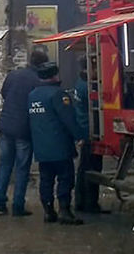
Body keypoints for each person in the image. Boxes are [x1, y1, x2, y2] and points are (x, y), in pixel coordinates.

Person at [28, 62, 86, 225]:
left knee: (46, 180)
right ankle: (64, 211)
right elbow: (68, 119)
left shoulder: (32, 96)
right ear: (55, 76)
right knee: (65, 179)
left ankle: (48, 211)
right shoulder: (59, 95)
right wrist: (79, 136)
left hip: (41, 148)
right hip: (59, 147)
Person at [0, 49, 49, 217]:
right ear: (42, 65)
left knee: (5, 166)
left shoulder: (13, 75)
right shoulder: (39, 81)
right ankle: (18, 206)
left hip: (6, 126)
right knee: (22, 168)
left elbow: (3, 94)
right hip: (24, 130)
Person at [73, 56, 104, 213]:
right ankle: (90, 203)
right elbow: (101, 105)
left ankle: (81, 201)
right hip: (90, 133)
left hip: (84, 131)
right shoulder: (87, 88)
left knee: (83, 168)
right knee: (92, 168)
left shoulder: (80, 84)